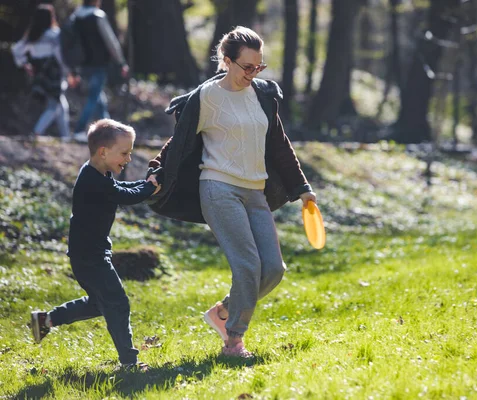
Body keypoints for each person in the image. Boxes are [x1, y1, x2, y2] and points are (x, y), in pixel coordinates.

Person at [146, 26, 317, 358]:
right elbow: (178, 142)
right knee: (248, 266)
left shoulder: (262, 95)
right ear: (227, 61)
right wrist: (156, 169)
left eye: (259, 67)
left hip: (256, 192)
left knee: (273, 269)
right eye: (247, 67)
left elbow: (280, 145)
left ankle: (222, 312)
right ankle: (233, 341)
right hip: (218, 188)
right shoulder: (207, 98)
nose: (253, 74)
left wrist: (302, 189)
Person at [30, 118, 161, 371]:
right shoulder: (93, 181)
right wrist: (148, 189)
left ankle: (46, 320)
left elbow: (119, 188)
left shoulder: (98, 174)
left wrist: (146, 187)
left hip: (88, 255)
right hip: (90, 257)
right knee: (118, 304)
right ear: (103, 151)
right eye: (124, 153)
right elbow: (123, 195)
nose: (129, 159)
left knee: (100, 302)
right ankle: (129, 364)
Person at [11, 4, 75, 142]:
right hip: (53, 73)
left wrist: (24, 64)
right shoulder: (54, 34)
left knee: (60, 103)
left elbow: (16, 50)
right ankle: (36, 132)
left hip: (39, 73)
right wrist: (68, 72)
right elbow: (60, 56)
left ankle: (66, 137)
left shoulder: (33, 34)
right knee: (53, 105)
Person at [70, 0, 129, 141]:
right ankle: (79, 130)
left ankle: (109, 131)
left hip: (82, 63)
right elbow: (110, 41)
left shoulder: (76, 17)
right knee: (93, 96)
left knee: (98, 96)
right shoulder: (98, 16)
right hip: (99, 63)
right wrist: (121, 62)